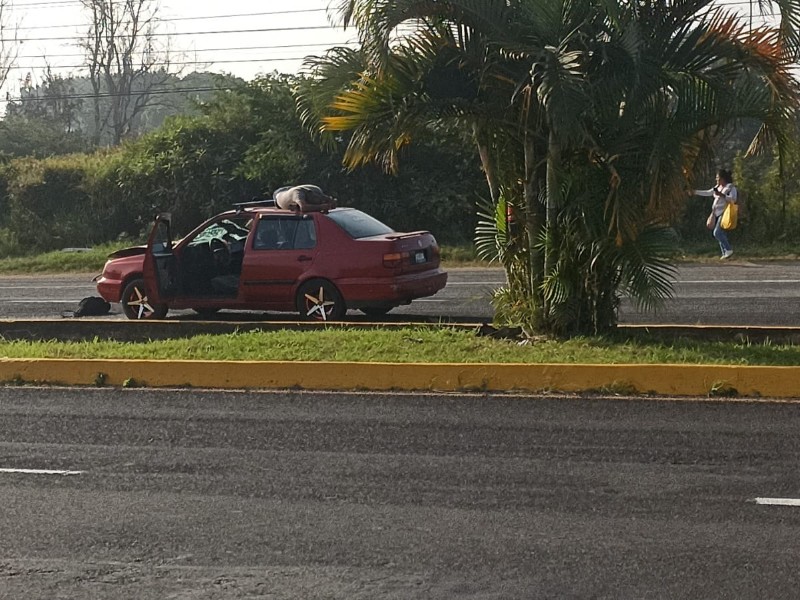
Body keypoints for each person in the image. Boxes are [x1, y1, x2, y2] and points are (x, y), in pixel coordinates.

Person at [693, 168, 738, 259]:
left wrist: (723, 195)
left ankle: (728, 250)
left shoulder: (730, 187)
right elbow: (708, 192)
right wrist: (695, 192)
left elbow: (733, 199)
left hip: (725, 213)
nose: (716, 180)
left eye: (718, 178)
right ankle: (725, 253)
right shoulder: (717, 187)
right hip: (716, 213)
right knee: (721, 234)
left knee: (717, 233)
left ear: (723, 178)